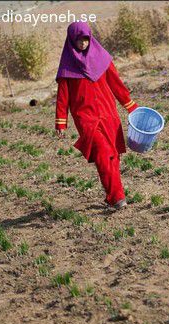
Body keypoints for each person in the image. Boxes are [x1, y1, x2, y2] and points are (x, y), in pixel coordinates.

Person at [55, 22, 138, 209]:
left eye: (86, 39)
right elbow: (63, 97)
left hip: (109, 115)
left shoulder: (102, 59)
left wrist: (131, 106)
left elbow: (116, 84)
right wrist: (61, 122)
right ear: (71, 41)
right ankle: (118, 198)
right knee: (103, 154)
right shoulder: (67, 67)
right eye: (79, 40)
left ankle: (112, 197)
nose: (83, 43)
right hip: (86, 119)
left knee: (114, 156)